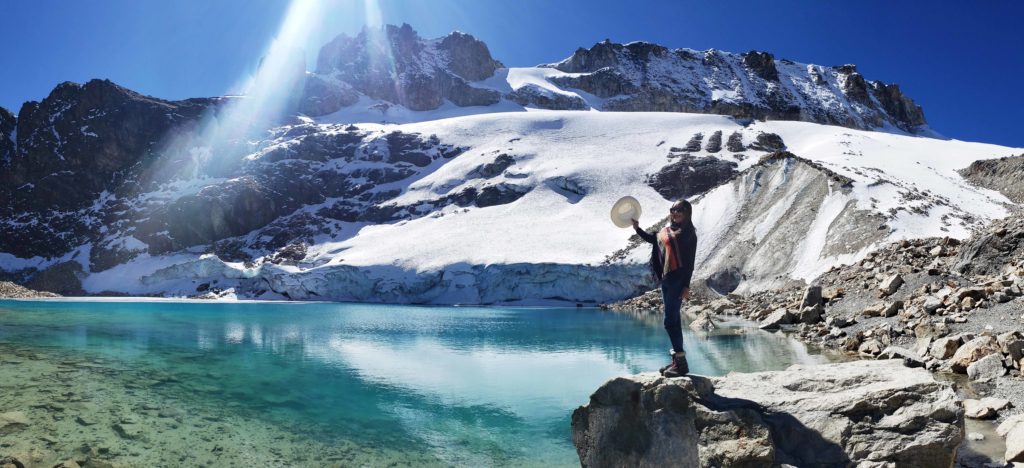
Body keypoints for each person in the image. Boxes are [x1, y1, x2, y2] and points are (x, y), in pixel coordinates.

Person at [631, 199, 698, 377]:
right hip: (666, 279)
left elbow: (690, 263)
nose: (675, 213)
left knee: (670, 321)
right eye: (672, 210)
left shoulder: (689, 233)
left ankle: (681, 362)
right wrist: (637, 229)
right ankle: (678, 361)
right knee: (673, 320)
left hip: (677, 280)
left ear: (687, 213)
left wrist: (686, 286)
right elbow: (653, 239)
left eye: (679, 210)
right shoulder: (666, 232)